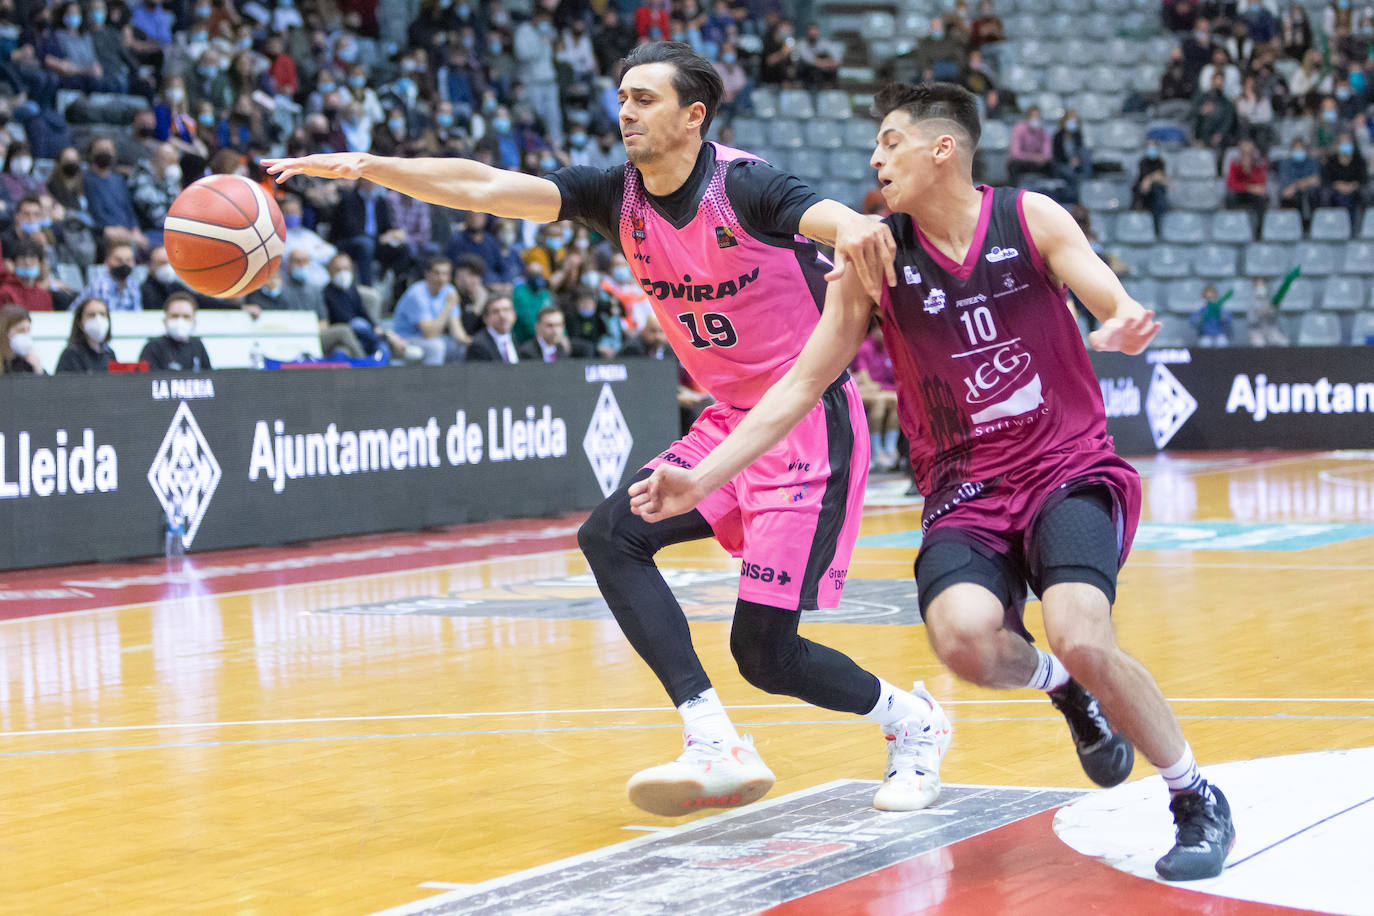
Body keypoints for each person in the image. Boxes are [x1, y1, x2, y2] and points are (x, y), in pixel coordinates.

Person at [263, 40, 948, 820]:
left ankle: (914, 724)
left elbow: (820, 212)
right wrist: (372, 166)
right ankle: (712, 739)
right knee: (612, 535)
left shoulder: (744, 185)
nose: (625, 110)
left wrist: (855, 227)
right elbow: (486, 185)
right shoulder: (610, 194)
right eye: (622, 95)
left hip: (806, 427)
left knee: (765, 655)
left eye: (645, 98)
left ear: (694, 116)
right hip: (728, 422)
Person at [629, 82, 1235, 882]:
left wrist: (1119, 317)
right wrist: (699, 472)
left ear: (941, 148)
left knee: (1082, 631)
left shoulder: (1030, 217)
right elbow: (800, 384)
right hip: (964, 491)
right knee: (963, 644)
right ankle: (1065, 689)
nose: (875, 158)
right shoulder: (873, 255)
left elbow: (1101, 289)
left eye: (889, 141)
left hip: (1067, 467)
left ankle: (1194, 796)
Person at [392, 256, 469, 365]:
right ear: (427, 274)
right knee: (436, 346)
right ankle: (433, 381)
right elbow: (429, 333)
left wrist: (468, 341)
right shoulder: (417, 294)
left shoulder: (449, 290)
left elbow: (456, 330)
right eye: (437, 273)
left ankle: (455, 380)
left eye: (446, 274)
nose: (442, 278)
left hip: (431, 338)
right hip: (405, 339)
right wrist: (447, 306)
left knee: (461, 347)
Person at [851, 323, 900, 472]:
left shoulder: (889, 348)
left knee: (898, 401)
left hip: (884, 391)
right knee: (879, 402)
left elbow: (896, 380)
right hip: (865, 392)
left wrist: (885, 388)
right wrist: (886, 388)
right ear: (875, 330)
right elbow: (868, 384)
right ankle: (876, 451)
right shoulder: (864, 348)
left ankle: (890, 448)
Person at [139, 291, 212, 371]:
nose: (180, 321)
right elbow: (146, 380)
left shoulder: (198, 346)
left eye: (186, 316)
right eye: (174, 316)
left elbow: (210, 377)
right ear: (165, 320)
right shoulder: (153, 347)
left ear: (194, 321)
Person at [55, 297, 116, 372]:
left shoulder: (109, 354)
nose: (98, 319)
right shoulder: (71, 355)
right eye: (91, 315)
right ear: (80, 323)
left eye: (102, 314)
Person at [518, 305, 593, 361]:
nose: (555, 331)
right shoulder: (527, 352)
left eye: (559, 325)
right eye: (550, 326)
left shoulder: (561, 349)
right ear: (538, 327)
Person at [465, 296, 520, 363]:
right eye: (495, 312)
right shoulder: (478, 345)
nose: (502, 315)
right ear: (485, 319)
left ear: (514, 315)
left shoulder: (515, 338)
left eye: (506, 310)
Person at [1, 303, 44, 374]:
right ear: (4, 332)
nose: (25, 335)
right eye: (20, 330)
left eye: (28, 330)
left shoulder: (27, 361)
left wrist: (38, 369)